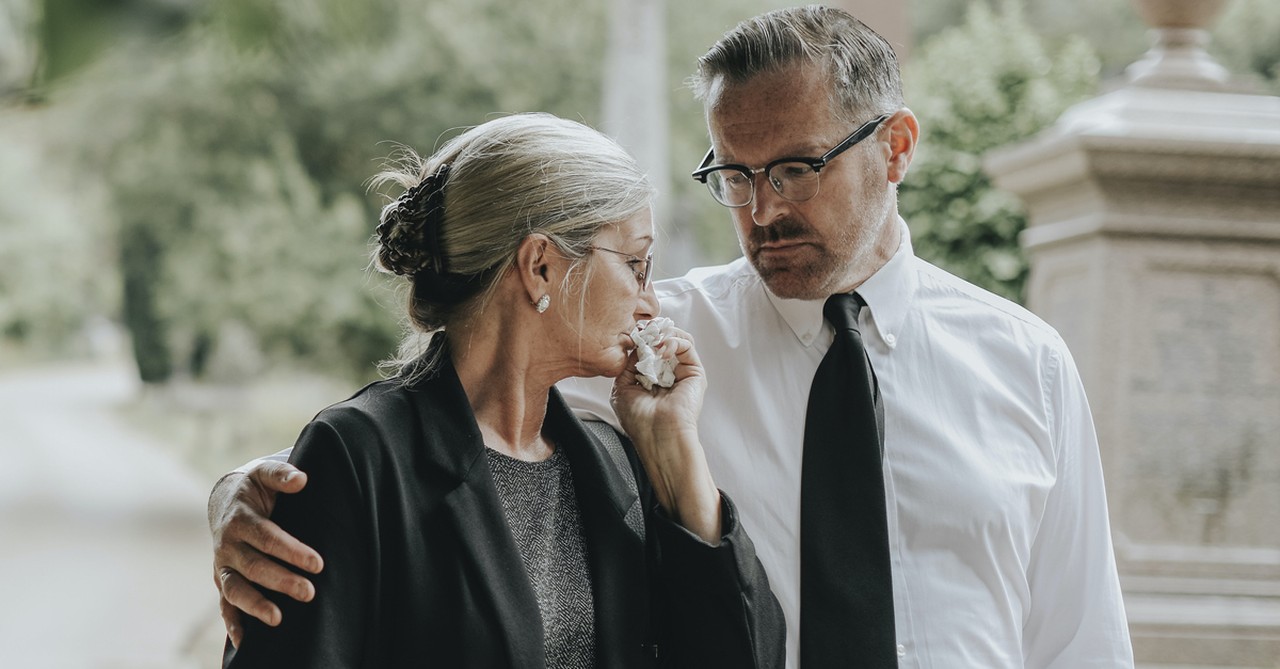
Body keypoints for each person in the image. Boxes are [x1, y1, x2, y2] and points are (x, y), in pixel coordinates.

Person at [210, 7, 1134, 667]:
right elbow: (443, 419)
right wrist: (245, 499)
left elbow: (1080, 641)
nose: (762, 208)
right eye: (732, 174)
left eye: (796, 168)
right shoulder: (655, 348)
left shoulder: (1031, 365)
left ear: (894, 148)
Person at [216, 112, 785, 668]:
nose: (650, 301)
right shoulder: (358, 455)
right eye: (636, 264)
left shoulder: (615, 462)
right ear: (540, 265)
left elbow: (745, 655)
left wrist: (675, 451)